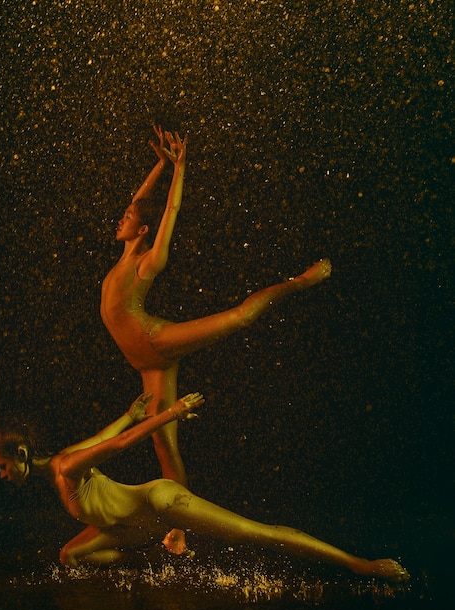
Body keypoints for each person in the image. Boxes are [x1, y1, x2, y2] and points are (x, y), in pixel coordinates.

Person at [100, 126, 332, 485]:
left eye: (127, 218)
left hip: (154, 342)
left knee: (241, 316)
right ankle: (178, 530)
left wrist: (180, 168)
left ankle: (300, 281)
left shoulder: (148, 262)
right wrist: (160, 165)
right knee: (163, 444)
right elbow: (140, 200)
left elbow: (169, 212)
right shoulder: (124, 254)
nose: (120, 218)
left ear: (143, 229)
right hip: (145, 362)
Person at [0, 391, 409, 583]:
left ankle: (358, 564)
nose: (2, 475)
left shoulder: (65, 469)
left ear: (22, 454)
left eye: (4, 467)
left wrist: (169, 413)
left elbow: (118, 446)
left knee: (253, 533)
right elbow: (106, 436)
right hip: (134, 524)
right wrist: (129, 414)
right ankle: (151, 555)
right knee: (69, 555)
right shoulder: (61, 465)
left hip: (159, 501)